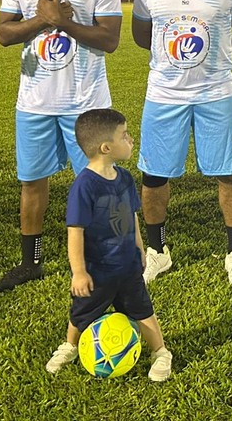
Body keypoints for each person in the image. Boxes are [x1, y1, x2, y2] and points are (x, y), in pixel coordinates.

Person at [0, 0, 122, 292]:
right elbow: (3, 34)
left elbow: (110, 39)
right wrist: (41, 19)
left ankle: (104, 259)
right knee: (32, 183)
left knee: (97, 181)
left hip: (85, 103)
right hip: (34, 102)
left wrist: (64, 22)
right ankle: (30, 262)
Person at [131, 0, 232, 287]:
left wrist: (212, 63)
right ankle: (158, 252)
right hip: (165, 94)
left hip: (216, 93)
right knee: (153, 176)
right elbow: (141, 34)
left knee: (228, 173)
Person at [45, 108, 172, 379]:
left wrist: (140, 249)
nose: (131, 140)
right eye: (124, 136)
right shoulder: (84, 186)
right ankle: (70, 346)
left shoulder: (125, 178)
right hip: (97, 270)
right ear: (106, 147)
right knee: (81, 313)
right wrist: (79, 271)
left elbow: (132, 217)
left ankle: (160, 352)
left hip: (127, 267)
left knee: (143, 311)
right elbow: (75, 232)